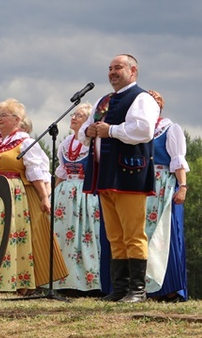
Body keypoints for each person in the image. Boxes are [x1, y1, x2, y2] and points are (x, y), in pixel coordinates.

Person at [80, 54, 160, 303]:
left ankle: (137, 289)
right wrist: (89, 130)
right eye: (110, 68)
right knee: (114, 234)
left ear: (133, 70)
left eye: (118, 68)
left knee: (133, 233)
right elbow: (85, 132)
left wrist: (110, 130)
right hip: (105, 174)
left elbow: (144, 130)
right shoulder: (104, 101)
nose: (113, 72)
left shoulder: (142, 97)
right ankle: (120, 288)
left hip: (129, 173)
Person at [0, 98, 68, 294]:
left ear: (17, 119)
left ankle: (11, 281)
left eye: (3, 115)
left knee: (8, 236)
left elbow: (35, 172)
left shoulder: (25, 143)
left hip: (11, 194)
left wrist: (43, 197)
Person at [51, 103, 103, 295]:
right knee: (64, 235)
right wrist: (53, 195)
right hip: (65, 194)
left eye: (80, 116)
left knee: (86, 235)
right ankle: (62, 280)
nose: (74, 118)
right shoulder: (65, 143)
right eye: (74, 114)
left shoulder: (94, 143)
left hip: (86, 192)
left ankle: (87, 283)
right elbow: (61, 172)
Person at [144, 90, 189, 302]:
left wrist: (182, 186)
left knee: (165, 235)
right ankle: (147, 286)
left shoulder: (170, 129)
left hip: (163, 185)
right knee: (145, 235)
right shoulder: (140, 130)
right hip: (143, 185)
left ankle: (169, 288)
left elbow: (178, 160)